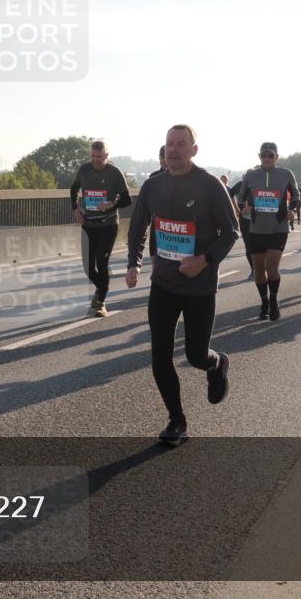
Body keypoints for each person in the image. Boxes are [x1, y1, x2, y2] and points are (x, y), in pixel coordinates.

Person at [126, 124, 238, 445]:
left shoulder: (209, 185)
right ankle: (177, 421)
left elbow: (230, 232)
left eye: (181, 144)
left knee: (195, 355)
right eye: (169, 144)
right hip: (162, 284)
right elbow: (137, 228)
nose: (174, 149)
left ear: (193, 149)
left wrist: (202, 260)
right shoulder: (153, 186)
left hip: (199, 287)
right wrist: (134, 264)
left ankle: (216, 363)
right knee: (159, 354)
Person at [70, 140, 132, 317]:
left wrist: (111, 204)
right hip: (88, 225)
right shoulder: (84, 170)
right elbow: (74, 190)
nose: (95, 160)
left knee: (101, 261)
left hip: (108, 225)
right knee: (88, 268)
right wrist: (75, 209)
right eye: (93, 156)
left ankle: (101, 302)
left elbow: (127, 199)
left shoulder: (114, 173)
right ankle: (102, 287)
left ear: (106, 156)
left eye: (99, 157)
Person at [239, 142, 299, 320]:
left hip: (278, 227)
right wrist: (243, 207)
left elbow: (296, 195)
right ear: (259, 157)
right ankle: (264, 301)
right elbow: (240, 196)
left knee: (272, 267)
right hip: (256, 228)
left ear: (276, 157)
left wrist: (292, 210)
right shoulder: (251, 175)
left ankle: (273, 300)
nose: (266, 158)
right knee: (258, 268)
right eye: (263, 155)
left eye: (270, 155)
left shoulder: (285, 174)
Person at [229, 172, 255, 280]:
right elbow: (230, 194)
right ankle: (254, 270)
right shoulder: (240, 185)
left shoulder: (260, 184)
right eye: (245, 178)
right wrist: (237, 209)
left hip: (259, 219)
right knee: (249, 246)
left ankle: (261, 268)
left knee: (260, 245)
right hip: (244, 220)